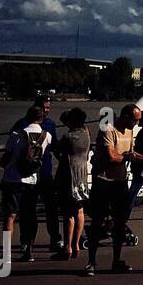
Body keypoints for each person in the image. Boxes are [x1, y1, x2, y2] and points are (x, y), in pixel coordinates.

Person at [86, 104, 143, 276]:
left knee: (120, 223)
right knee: (97, 221)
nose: (137, 124)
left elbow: (132, 153)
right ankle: (91, 262)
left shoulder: (129, 132)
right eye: (135, 120)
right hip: (103, 181)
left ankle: (116, 261)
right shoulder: (108, 130)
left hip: (120, 182)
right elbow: (111, 156)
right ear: (126, 117)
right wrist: (128, 157)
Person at [0, 105, 50, 263]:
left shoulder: (16, 135)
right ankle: (29, 250)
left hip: (13, 180)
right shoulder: (46, 136)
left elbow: (4, 160)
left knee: (10, 215)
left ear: (27, 117)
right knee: (29, 216)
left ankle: (6, 253)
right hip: (32, 181)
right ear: (42, 118)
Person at [54, 107, 91, 260]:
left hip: (68, 176)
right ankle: (76, 244)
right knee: (80, 211)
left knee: (68, 213)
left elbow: (56, 150)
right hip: (82, 176)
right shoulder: (86, 134)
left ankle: (67, 247)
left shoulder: (68, 137)